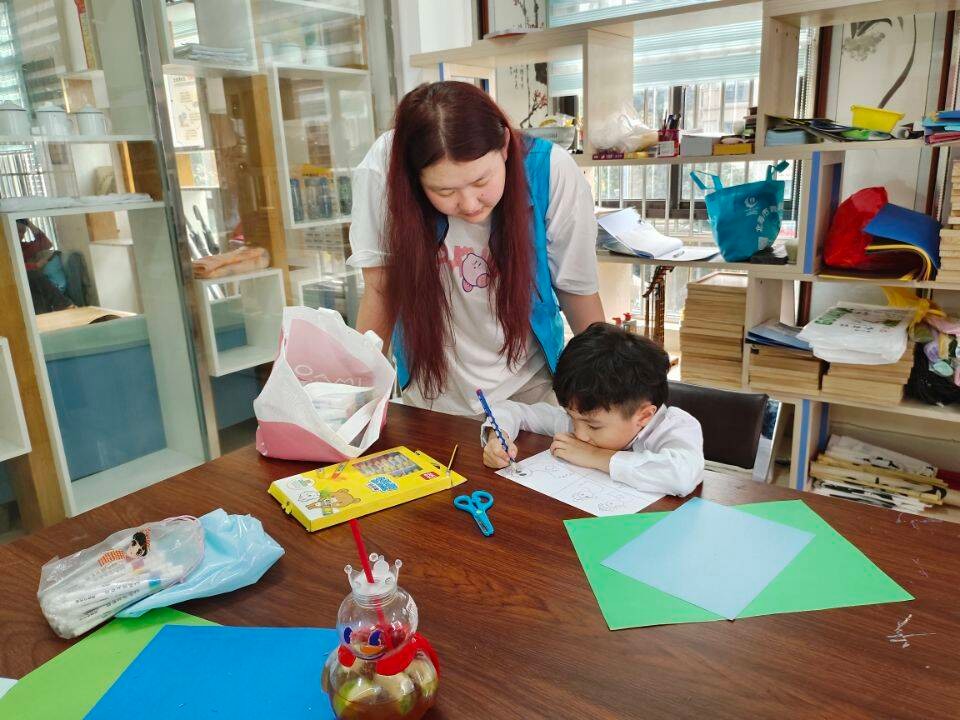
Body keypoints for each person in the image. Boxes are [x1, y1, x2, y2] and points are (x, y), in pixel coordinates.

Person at [349, 81, 604, 417]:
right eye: (444, 191)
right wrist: (357, 397)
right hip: (430, 389)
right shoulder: (385, 168)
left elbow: (577, 290)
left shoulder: (551, 170)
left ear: (505, 147)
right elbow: (381, 290)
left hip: (529, 387)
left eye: (482, 181)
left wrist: (607, 391)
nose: (469, 204)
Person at [481, 322, 704, 497]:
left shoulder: (675, 427)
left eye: (593, 426)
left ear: (644, 416)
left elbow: (682, 476)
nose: (579, 434)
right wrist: (497, 437)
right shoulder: (581, 418)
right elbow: (513, 410)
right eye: (571, 417)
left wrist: (594, 456)